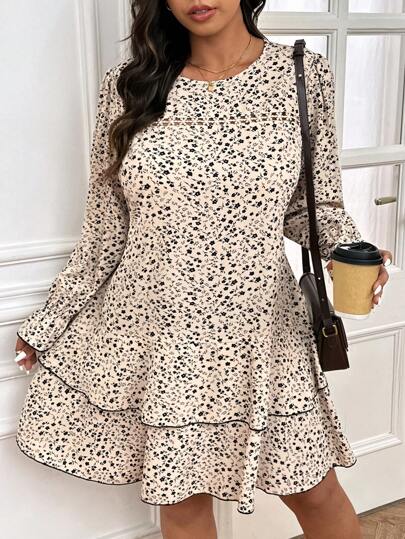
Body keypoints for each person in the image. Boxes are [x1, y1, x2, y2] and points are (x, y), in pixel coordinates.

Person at [14, 1, 391, 538]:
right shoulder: (130, 86)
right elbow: (104, 229)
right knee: (182, 502)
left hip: (262, 331)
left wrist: (350, 252)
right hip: (159, 334)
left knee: (315, 491)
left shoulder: (302, 75)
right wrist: (51, 320)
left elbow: (314, 207)